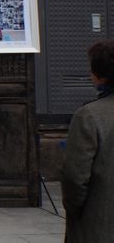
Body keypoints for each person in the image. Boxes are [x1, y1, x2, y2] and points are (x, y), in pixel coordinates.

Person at [61, 40, 114, 242]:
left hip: (100, 223)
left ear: (101, 77)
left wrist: (75, 210)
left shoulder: (90, 116)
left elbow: (75, 177)